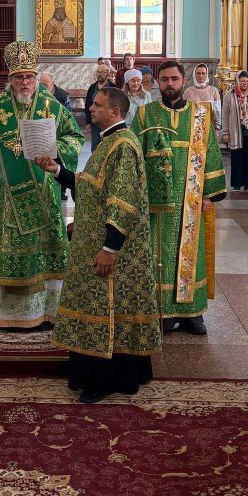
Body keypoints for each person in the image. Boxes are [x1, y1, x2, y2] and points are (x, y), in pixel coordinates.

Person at [40, 85, 159, 403]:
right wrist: (58, 170)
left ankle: (107, 380)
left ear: (115, 111)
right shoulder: (110, 141)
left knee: (108, 306)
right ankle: (102, 374)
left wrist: (110, 248)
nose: (91, 109)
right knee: (101, 304)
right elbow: (92, 185)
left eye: (97, 104)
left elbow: (123, 200)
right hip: (95, 240)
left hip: (111, 248)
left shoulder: (123, 145)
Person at [0, 39, 83, 331]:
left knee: (46, 251)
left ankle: (47, 311)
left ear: (36, 79)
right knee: (13, 248)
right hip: (8, 196)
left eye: (29, 77)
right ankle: (12, 313)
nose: (25, 82)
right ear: (10, 80)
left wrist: (55, 151)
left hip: (45, 193)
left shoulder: (52, 107)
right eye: (19, 77)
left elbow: (75, 137)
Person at [134, 59, 226, 336]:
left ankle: (192, 314)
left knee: (191, 255)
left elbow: (210, 152)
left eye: (174, 79)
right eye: (164, 80)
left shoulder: (200, 114)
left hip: (191, 199)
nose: (170, 84)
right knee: (159, 254)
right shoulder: (146, 114)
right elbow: (135, 153)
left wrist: (209, 194)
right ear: (157, 83)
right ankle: (163, 312)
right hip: (157, 202)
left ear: (183, 81)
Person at [221, 70, 248, 191]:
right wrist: (226, 132)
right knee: (237, 158)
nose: (245, 83)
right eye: (242, 81)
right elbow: (225, 114)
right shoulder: (229, 95)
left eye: (247, 81)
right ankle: (237, 184)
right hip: (236, 132)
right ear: (237, 81)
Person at [85, 61, 114, 153]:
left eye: (102, 72)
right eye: (98, 72)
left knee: (109, 147)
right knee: (95, 148)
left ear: (108, 73)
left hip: (109, 122)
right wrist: (88, 122)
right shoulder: (92, 88)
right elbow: (88, 105)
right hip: (95, 122)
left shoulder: (113, 87)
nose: (100, 74)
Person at [185, 63, 222, 131]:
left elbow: (217, 111)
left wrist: (217, 128)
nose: (201, 76)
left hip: (210, 128)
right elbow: (185, 112)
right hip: (192, 128)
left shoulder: (213, 91)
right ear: (194, 75)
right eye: (198, 73)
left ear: (206, 75)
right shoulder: (188, 92)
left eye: (203, 73)